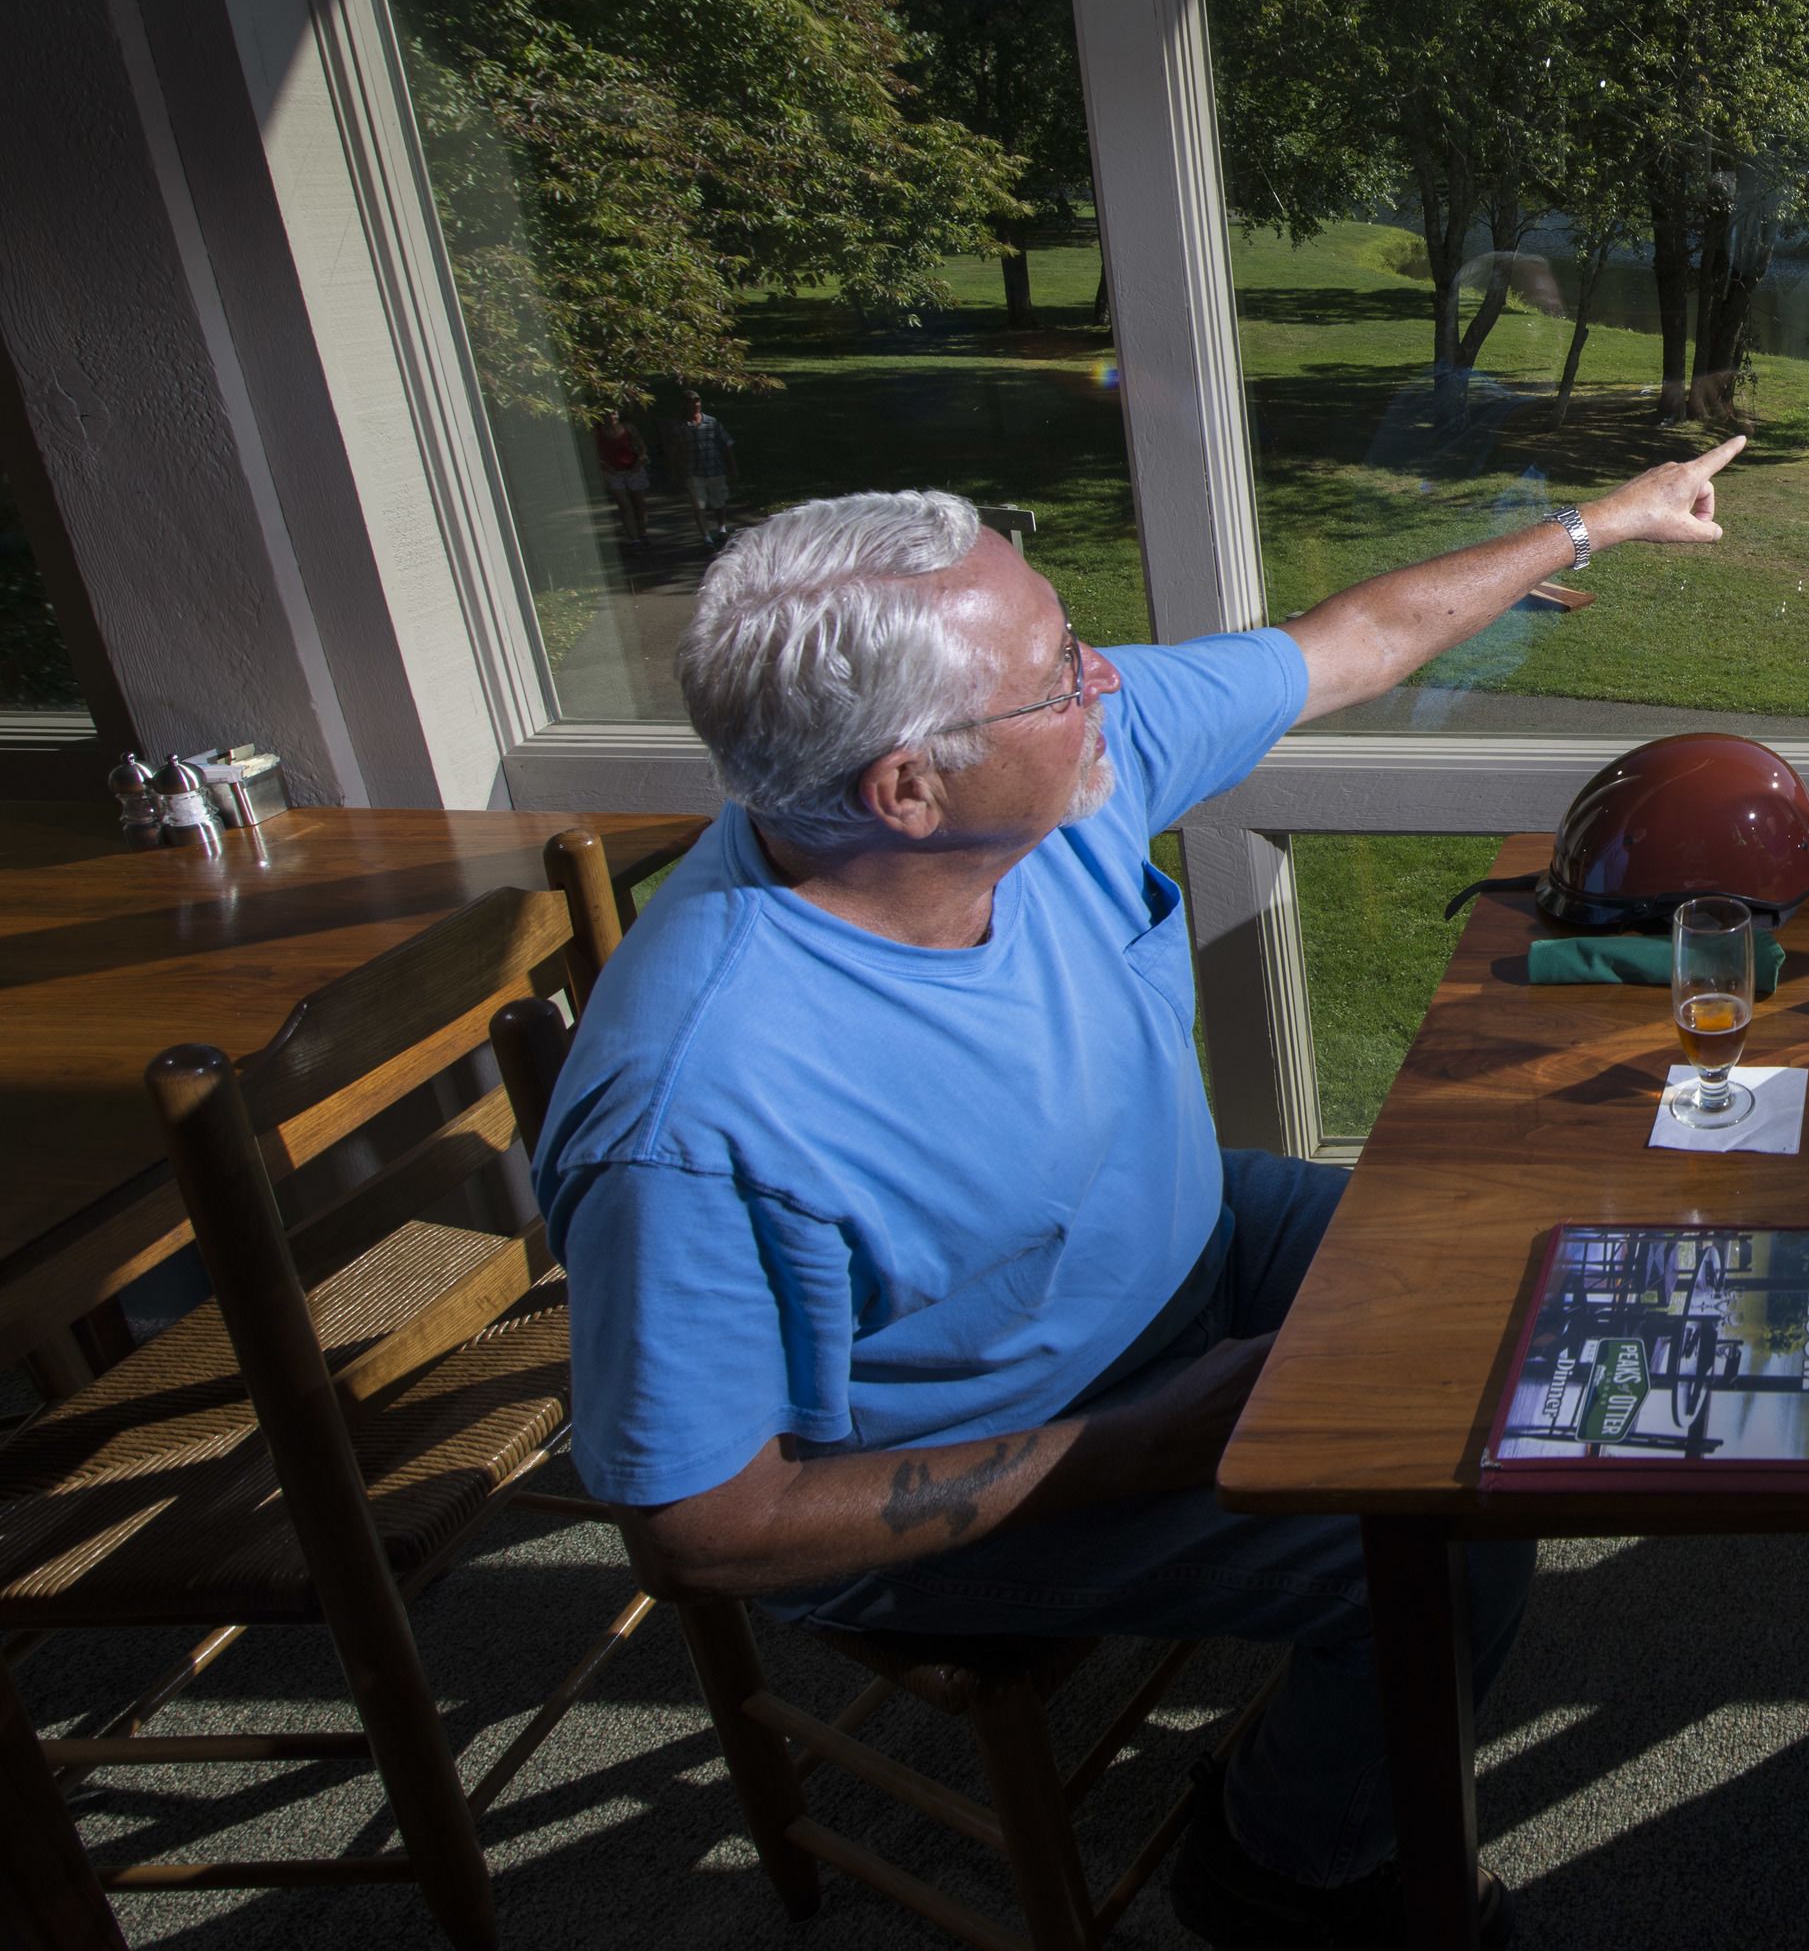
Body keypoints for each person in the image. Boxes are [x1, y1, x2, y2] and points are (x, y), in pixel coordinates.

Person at [536, 438, 1747, 1951]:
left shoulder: (1048, 779)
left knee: (1509, 1269)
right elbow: (702, 1530)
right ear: (907, 786)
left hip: (1190, 1244)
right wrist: (1136, 1445)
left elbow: (1349, 640)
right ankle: (1282, 1866)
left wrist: (1604, 520)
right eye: (1061, 671)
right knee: (1445, 1544)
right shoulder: (695, 1107)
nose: (1106, 680)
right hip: (986, 1453)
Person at [674, 391, 737, 544]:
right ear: (684, 405)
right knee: (699, 505)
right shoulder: (681, 426)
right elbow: (677, 451)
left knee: (719, 501)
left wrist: (732, 467)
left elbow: (727, 444)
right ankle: (706, 537)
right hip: (694, 472)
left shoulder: (712, 422)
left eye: (697, 401)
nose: (695, 405)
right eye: (690, 402)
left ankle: (722, 528)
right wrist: (678, 471)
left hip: (715, 468)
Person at [592, 412, 650, 547]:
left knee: (640, 505)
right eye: (607, 415)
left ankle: (643, 534)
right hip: (614, 473)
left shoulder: (628, 427)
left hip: (633, 470)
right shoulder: (597, 432)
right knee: (625, 507)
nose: (611, 417)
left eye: (614, 414)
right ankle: (634, 539)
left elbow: (641, 447)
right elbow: (594, 452)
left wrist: (640, 461)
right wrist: (604, 465)